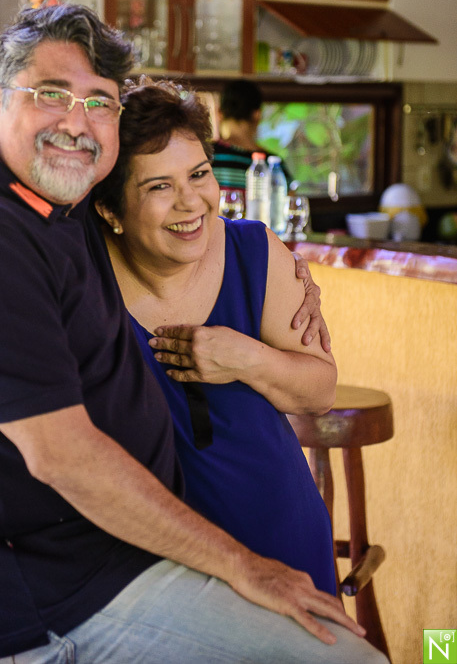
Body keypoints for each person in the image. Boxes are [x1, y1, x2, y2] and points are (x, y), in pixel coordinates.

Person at [0, 3, 387, 664]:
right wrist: (242, 566)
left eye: (99, 102)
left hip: (145, 543)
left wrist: (264, 299)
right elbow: (61, 452)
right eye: (50, 95)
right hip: (63, 589)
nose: (75, 121)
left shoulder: (57, 204)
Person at [93, 78, 336, 594]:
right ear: (109, 210)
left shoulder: (255, 252)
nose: (192, 203)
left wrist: (245, 358)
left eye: (199, 174)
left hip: (280, 533)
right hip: (153, 565)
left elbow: (320, 392)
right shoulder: (80, 273)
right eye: (158, 186)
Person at [212, 78, 291, 207]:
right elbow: (289, 207)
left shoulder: (203, 155)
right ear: (257, 114)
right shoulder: (273, 165)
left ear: (219, 113)